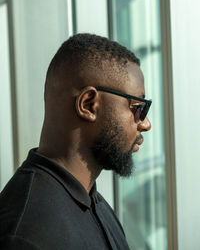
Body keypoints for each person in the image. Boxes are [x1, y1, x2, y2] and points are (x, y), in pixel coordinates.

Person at [0, 33, 151, 250]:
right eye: (138, 108)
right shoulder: (26, 234)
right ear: (88, 105)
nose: (146, 124)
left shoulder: (96, 206)